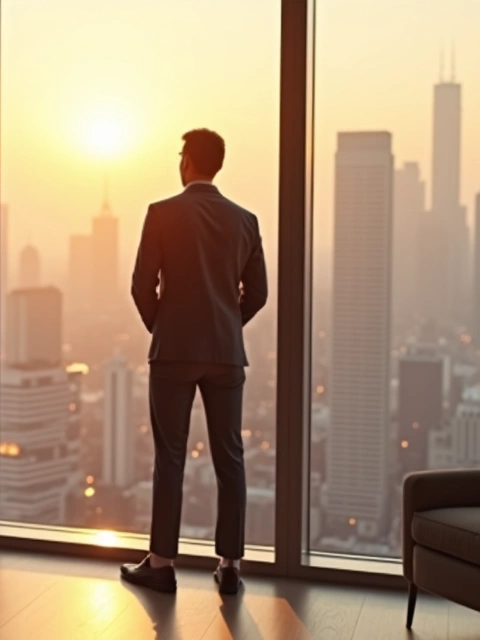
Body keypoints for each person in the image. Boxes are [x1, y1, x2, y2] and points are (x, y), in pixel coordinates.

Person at [121, 129, 268, 595]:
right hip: (226, 354)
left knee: (171, 457)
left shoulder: (161, 214)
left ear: (185, 162)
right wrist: (226, 325)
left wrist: (164, 328)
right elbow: (259, 294)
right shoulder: (246, 220)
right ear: (218, 165)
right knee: (231, 458)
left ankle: (162, 564)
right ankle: (230, 568)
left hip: (173, 353)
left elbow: (141, 286)